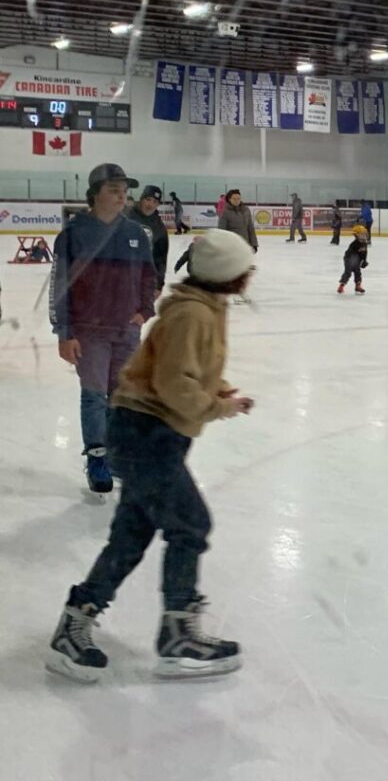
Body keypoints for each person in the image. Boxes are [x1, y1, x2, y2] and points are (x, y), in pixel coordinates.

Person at [46, 230, 255, 684]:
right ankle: (179, 635)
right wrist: (217, 406)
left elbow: (190, 370)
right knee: (191, 524)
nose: (250, 274)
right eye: (245, 267)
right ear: (226, 276)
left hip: (152, 434)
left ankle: (74, 624)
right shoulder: (192, 314)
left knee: (130, 536)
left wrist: (219, 392)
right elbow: (173, 383)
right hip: (145, 436)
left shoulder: (206, 307)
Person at [50, 164, 156, 495]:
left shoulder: (137, 233)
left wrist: (144, 311)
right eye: (113, 189)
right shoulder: (73, 234)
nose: (122, 194)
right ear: (95, 194)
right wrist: (64, 332)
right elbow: (60, 286)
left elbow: (148, 277)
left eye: (124, 189)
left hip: (126, 331)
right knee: (95, 396)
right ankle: (97, 457)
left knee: (120, 396)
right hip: (89, 331)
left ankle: (115, 453)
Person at [127, 185, 169, 295]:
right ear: (141, 199)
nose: (151, 204)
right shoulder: (126, 217)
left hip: (144, 281)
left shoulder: (159, 227)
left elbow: (160, 258)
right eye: (148, 199)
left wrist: (159, 285)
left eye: (155, 201)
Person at [337, 225, 369, 294]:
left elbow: (365, 252)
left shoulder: (364, 243)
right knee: (348, 272)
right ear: (356, 235)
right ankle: (341, 285)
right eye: (362, 234)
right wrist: (351, 263)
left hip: (357, 259)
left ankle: (358, 286)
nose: (364, 235)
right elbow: (349, 255)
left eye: (364, 234)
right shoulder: (354, 244)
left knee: (358, 272)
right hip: (349, 258)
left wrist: (364, 260)